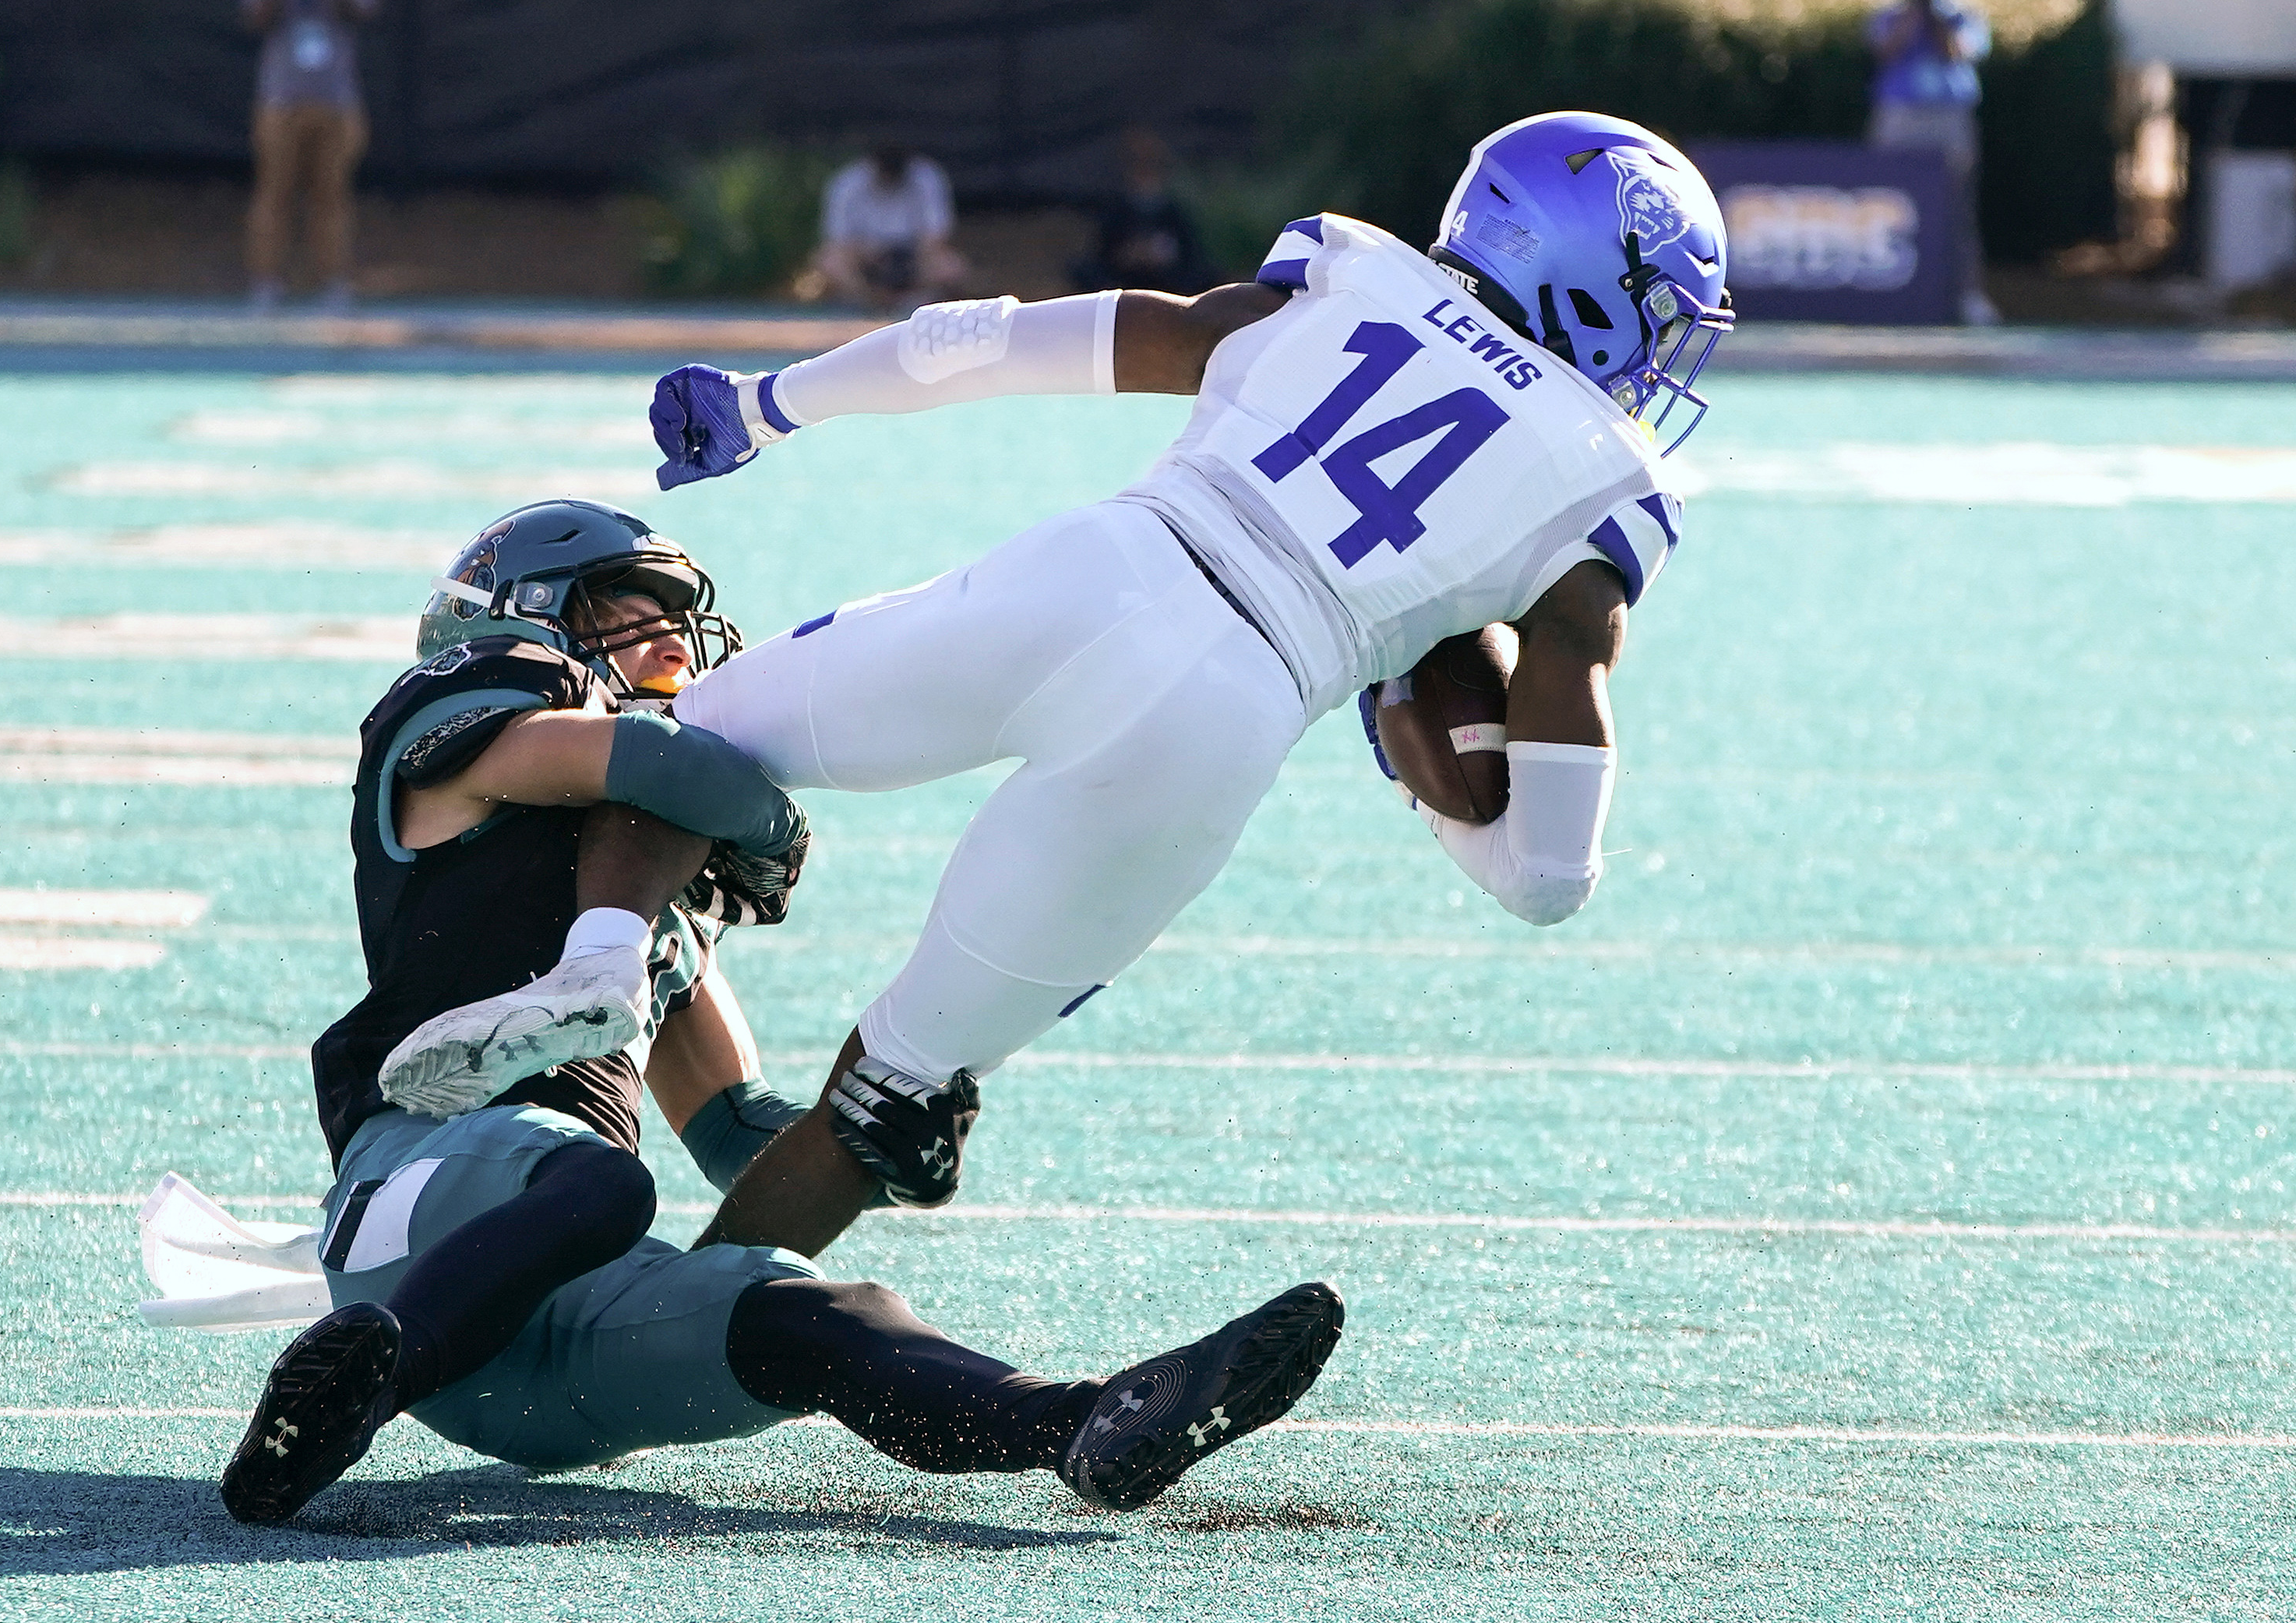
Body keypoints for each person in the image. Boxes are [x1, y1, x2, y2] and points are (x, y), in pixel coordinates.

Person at [388, 111, 1733, 1267]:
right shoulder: (1606, 485)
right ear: (1586, 277)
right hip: (1229, 711)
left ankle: (604, 961)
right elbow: (1543, 875)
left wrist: (769, 402)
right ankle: (685, 1320)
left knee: (689, 740)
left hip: (1092, 573)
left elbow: (1010, 341)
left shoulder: (1350, 274)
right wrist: (1413, 740)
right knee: (894, 1090)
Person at [218, 497, 1344, 1524]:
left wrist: (869, 1144)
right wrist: (762, 814)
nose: (671, 639)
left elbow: (738, 1141)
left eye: (679, 618)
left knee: (808, 1312)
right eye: (630, 609)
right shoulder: (463, 751)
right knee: (601, 1173)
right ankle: (338, 1397)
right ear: (528, 616)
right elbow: (654, 767)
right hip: (408, 1214)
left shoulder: (658, 928)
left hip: (535, 1361)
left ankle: (1084, 1421)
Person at [1865, 0, 1998, 325]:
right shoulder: (1890, 15)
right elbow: (1887, 50)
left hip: (1949, 116)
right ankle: (1886, 296)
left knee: (1957, 208)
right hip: (1900, 113)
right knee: (1889, 202)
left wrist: (1936, 17)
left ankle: (1966, 296)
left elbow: (1956, 51)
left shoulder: (1962, 17)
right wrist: (1915, 13)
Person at [242, 0, 377, 312]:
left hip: (337, 102)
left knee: (332, 195)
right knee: (274, 194)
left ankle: (334, 283)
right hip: (280, 101)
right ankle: (266, 282)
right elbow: (255, 18)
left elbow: (363, 12)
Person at [808, 144, 970, 313]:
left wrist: (913, 264)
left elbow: (936, 236)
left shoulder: (927, 177)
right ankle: (868, 304)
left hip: (913, 257)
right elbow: (838, 239)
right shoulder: (847, 182)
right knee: (829, 263)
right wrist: (869, 256)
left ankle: (912, 303)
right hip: (865, 258)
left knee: (951, 268)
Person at [1071, 128, 1216, 296]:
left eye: (1151, 163)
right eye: (1138, 163)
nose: (1145, 171)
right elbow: (1099, 260)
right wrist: (1128, 255)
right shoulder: (1114, 211)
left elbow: (1194, 261)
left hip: (1171, 290)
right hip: (1124, 292)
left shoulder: (1174, 213)